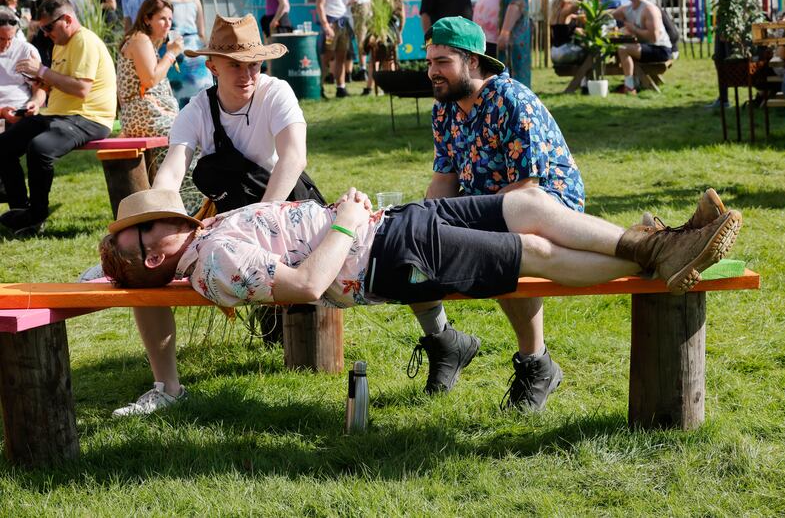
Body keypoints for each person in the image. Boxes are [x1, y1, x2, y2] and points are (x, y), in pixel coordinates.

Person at [98, 186, 742, 352]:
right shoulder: (213, 263)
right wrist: (346, 221)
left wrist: (349, 216)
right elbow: (304, 286)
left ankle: (659, 247)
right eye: (148, 225)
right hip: (388, 258)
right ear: (155, 254)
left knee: (528, 204)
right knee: (534, 257)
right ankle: (664, 253)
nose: (165, 211)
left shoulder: (206, 236)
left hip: (392, 228)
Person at [102, 13, 323, 417]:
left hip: (286, 208)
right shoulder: (197, 109)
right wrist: (158, 223)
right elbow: (173, 170)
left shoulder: (278, 93)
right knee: (146, 272)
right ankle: (167, 387)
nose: (247, 74)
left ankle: (285, 319)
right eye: (235, 65)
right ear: (212, 66)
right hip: (234, 213)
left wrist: (261, 218)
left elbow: (293, 158)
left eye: (253, 64)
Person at [401, 16, 583, 408]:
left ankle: (537, 363)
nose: (433, 72)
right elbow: (444, 181)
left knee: (499, 250)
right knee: (405, 242)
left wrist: (467, 227)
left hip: (546, 209)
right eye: (430, 62)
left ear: (472, 61)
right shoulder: (445, 110)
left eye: (443, 62)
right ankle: (445, 342)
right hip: (482, 209)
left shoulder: (511, 101)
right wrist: (419, 225)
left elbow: (527, 190)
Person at [0, 0, 116, 236]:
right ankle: (22, 211)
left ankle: (36, 215)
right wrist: (37, 95)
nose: (45, 32)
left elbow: (81, 89)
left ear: (67, 19)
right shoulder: (61, 42)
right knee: (5, 145)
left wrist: (41, 71)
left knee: (40, 148)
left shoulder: (84, 40)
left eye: (48, 27)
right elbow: (57, 83)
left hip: (89, 117)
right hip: (59, 115)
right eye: (42, 28)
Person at [151, 0, 214, 108]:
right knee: (201, 100)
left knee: (174, 100)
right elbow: (201, 31)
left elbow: (151, 24)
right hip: (195, 51)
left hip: (172, 49)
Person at [117, 0, 181, 137]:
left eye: (170, 19)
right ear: (147, 19)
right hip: (145, 116)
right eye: (162, 19)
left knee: (197, 132)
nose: (168, 24)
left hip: (149, 115)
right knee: (192, 137)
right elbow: (150, 80)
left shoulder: (145, 41)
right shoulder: (141, 39)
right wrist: (171, 54)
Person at [611, 0, 672, 95]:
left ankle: (629, 87)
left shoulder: (649, 9)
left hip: (660, 49)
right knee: (622, 48)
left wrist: (633, 29)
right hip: (647, 47)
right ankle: (635, 82)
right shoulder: (628, 7)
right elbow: (611, 14)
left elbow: (654, 37)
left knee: (623, 49)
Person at [0, 6, 47, 123]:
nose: (6, 44)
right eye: (1, 39)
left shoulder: (26, 51)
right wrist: (1, 112)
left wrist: (35, 103)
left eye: (10, 39)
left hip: (21, 111)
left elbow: (39, 88)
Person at [315, 0, 352, 98]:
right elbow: (320, 5)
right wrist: (326, 25)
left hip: (343, 21)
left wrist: (350, 2)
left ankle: (340, 88)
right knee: (326, 56)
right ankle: (320, 87)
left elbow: (340, 3)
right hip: (331, 23)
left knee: (341, 55)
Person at [347, 0, 372, 84]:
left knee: (360, 38)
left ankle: (363, 70)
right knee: (365, 37)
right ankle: (363, 68)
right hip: (369, 4)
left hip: (358, 3)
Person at [28, 0, 59, 67]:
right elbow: (33, 22)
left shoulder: (61, 2)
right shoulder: (37, 2)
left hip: (56, 39)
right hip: (40, 39)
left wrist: (38, 23)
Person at [549, 0, 585, 65]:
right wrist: (574, 1)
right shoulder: (565, 11)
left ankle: (581, 77)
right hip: (564, 51)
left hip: (554, 52)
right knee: (589, 52)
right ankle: (583, 77)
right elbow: (578, 6)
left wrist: (577, 17)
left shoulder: (554, 13)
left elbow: (566, 25)